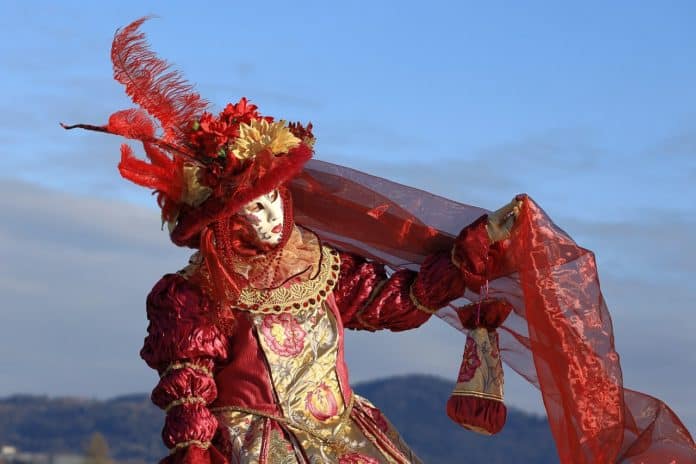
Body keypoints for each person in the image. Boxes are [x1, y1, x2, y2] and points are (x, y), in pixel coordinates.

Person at [64, 17, 695, 464]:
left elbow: (401, 301)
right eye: (243, 213)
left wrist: (476, 250)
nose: (262, 221)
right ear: (218, 223)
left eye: (268, 202)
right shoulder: (196, 294)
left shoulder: (322, 265)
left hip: (348, 440)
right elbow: (192, 400)